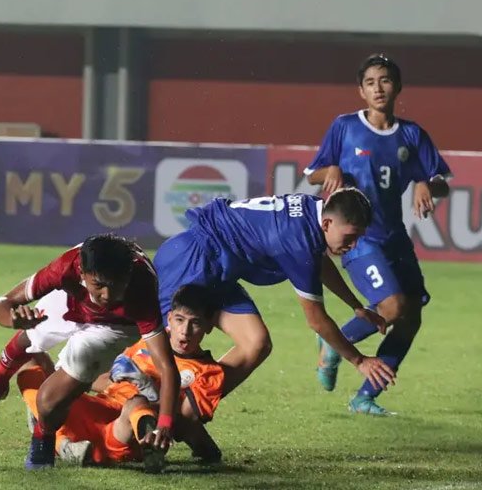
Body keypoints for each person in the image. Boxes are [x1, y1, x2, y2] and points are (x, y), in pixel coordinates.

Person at [0, 234, 180, 471]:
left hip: (116, 325)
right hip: (75, 300)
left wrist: (164, 424)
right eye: (99, 285)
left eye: (115, 285)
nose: (108, 296)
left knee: (47, 401)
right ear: (82, 274)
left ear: (128, 276)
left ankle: (44, 437)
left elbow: (167, 367)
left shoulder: (141, 290)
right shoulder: (66, 268)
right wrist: (12, 319)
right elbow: (1, 303)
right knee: (29, 335)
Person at [306, 54, 451, 415]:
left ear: (397, 87)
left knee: (411, 317)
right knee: (393, 307)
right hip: (359, 237)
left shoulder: (412, 134)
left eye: (385, 80)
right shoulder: (344, 127)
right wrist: (333, 168)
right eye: (370, 82)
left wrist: (425, 184)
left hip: (394, 236)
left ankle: (364, 398)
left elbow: (441, 183)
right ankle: (333, 344)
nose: (378, 88)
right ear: (361, 90)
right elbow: (312, 174)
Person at [153, 188, 395, 404]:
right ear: (328, 224)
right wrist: (359, 361)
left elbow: (318, 262)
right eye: (350, 237)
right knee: (167, 347)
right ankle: (135, 416)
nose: (352, 246)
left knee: (256, 343)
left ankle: (191, 408)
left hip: (222, 270)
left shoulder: (313, 210)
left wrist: (355, 306)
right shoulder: (298, 241)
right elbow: (317, 321)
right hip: (191, 261)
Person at [17, 284, 226, 473]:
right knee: (31, 364)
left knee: (137, 404)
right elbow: (98, 380)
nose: (185, 331)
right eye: (180, 320)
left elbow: (183, 420)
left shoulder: (209, 373)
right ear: (169, 318)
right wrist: (113, 382)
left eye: (195, 323)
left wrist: (144, 388)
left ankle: (60, 440)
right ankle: (63, 443)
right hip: (99, 409)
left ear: (208, 326)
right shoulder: (145, 342)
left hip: (124, 431)